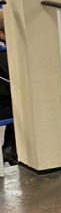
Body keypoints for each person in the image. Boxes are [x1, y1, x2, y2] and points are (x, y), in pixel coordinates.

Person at [0, 9, 16, 165]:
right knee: (25, 105)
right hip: (3, 106)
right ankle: (10, 149)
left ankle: (10, 148)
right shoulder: (5, 54)